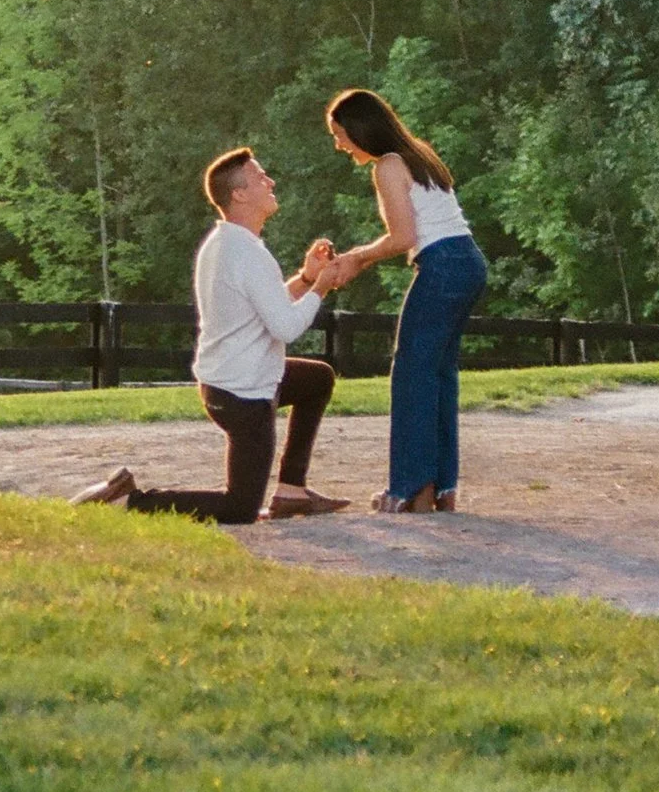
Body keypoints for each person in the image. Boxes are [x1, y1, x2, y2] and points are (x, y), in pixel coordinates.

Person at [70, 148, 353, 523]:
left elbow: (267, 307)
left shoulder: (226, 244)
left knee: (316, 379)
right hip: (243, 396)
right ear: (240, 194)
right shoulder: (246, 253)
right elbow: (286, 327)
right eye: (260, 178)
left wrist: (305, 279)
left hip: (230, 382)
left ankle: (291, 490)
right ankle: (131, 500)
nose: (270, 182)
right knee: (240, 508)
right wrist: (321, 287)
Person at [318, 88, 487, 513]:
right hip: (468, 261)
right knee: (439, 374)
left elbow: (403, 237)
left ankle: (410, 488)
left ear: (360, 129)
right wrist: (360, 259)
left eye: (340, 134)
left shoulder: (388, 166)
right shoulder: (419, 154)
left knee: (412, 372)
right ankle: (441, 488)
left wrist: (357, 257)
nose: (339, 145)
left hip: (442, 264)